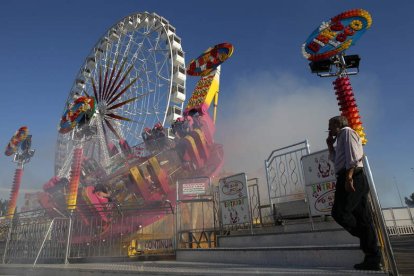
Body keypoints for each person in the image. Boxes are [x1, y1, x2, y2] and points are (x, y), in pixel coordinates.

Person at [326, 116, 381, 271]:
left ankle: (365, 236)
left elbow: (354, 156)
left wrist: (349, 177)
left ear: (338, 124)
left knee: (340, 212)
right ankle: (372, 257)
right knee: (363, 218)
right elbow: (336, 160)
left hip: (352, 177)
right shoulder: (340, 138)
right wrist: (330, 146)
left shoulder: (347, 133)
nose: (329, 129)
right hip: (349, 176)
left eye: (330, 126)